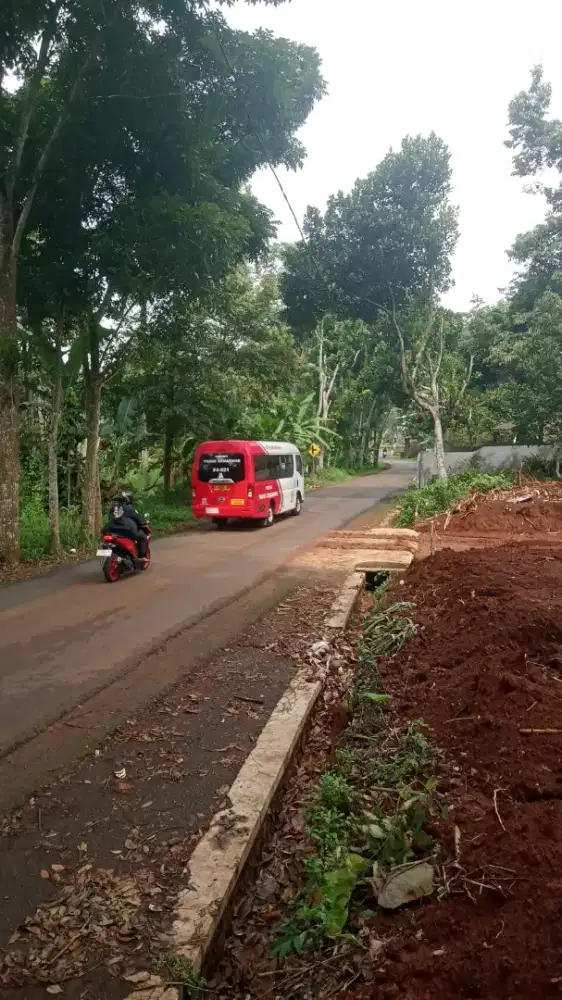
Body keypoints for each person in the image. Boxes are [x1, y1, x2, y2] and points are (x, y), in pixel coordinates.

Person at [104, 490, 149, 560]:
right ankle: (142, 557)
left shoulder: (113, 508)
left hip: (112, 530)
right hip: (125, 530)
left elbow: (111, 518)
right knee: (143, 538)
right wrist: (144, 522)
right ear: (129, 499)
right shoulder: (129, 507)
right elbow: (138, 519)